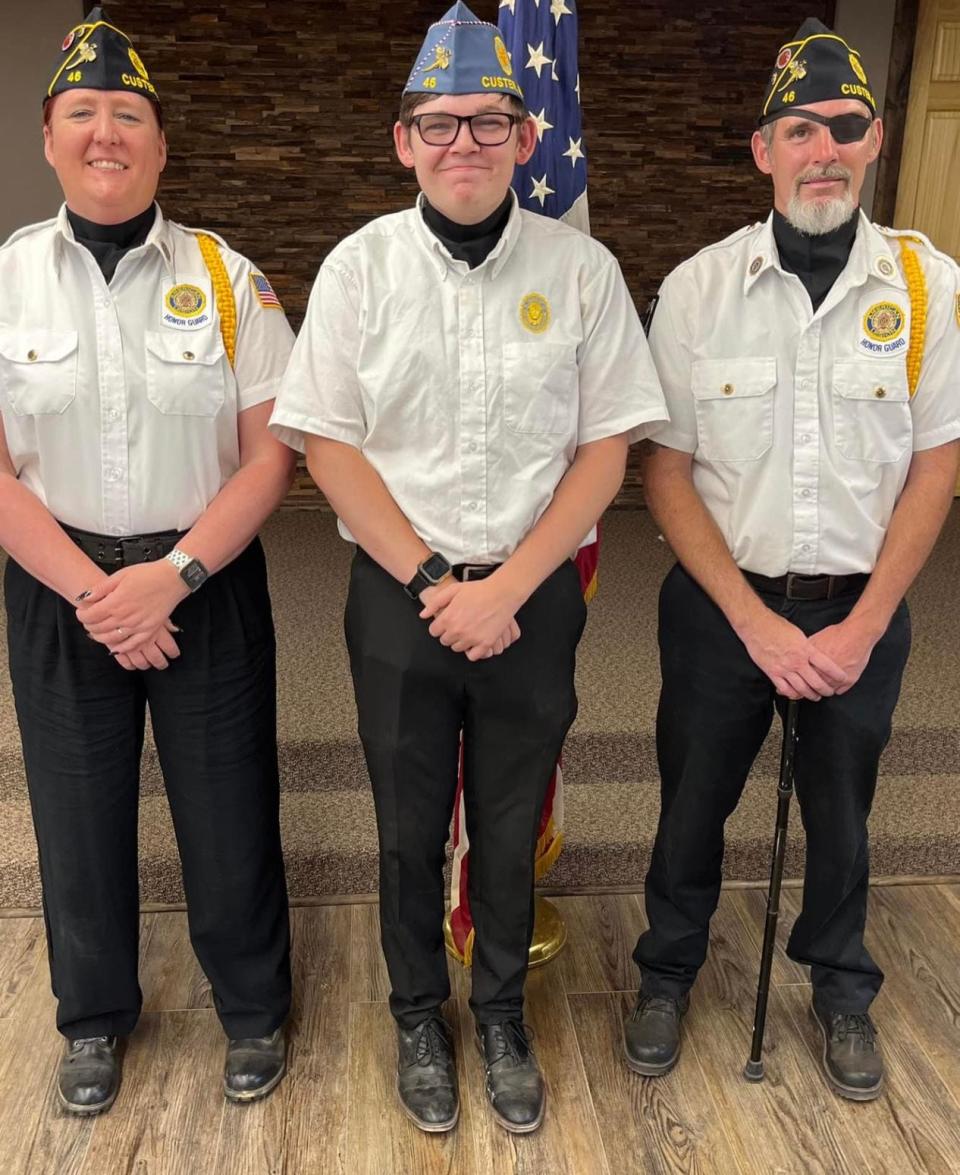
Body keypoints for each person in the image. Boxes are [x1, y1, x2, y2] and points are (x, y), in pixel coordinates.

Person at [270, 1, 667, 1135]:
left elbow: (608, 448)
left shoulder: (582, 272)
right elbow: (328, 446)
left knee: (504, 814)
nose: (464, 146)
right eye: (439, 125)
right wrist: (438, 579)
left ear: (525, 137)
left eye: (489, 124)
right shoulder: (358, 270)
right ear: (403, 139)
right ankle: (413, 1012)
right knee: (403, 823)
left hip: (532, 594)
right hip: (401, 596)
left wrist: (508, 587)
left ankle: (497, 1012)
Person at [623, 17, 960, 1102]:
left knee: (845, 808)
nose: (824, 149)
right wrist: (755, 622)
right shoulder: (698, 288)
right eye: (798, 129)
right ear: (762, 149)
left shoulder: (930, 290)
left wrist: (860, 626)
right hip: (724, 607)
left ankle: (842, 985)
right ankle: (667, 970)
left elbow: (937, 468)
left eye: (845, 128)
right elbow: (665, 474)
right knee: (691, 800)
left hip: (863, 605)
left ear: (875, 141)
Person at [0, 7, 295, 1114]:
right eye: (84, 112)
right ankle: (92, 1016)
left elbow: (274, 455)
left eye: (129, 114)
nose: (106, 132)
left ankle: (254, 1004)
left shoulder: (228, 276)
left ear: (163, 144)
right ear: (48, 135)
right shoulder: (7, 279)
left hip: (203, 583)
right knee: (76, 813)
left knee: (228, 809)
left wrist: (169, 577)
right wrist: (96, 592)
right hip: (59, 586)